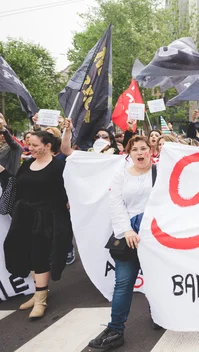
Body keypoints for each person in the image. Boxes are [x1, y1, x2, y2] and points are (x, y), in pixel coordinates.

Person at [88, 136, 157, 349]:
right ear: (129, 153)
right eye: (134, 149)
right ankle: (115, 328)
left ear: (150, 150)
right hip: (129, 236)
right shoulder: (120, 177)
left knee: (157, 279)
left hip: (155, 235)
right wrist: (127, 230)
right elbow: (116, 205)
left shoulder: (161, 173)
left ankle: (161, 315)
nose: (139, 152)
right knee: (124, 282)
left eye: (143, 148)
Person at [2, 131, 71, 319]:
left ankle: (41, 299)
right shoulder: (27, 164)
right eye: (28, 145)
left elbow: (69, 191)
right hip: (25, 217)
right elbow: (17, 186)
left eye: (34, 145)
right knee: (28, 254)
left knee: (40, 255)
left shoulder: (59, 167)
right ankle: (39, 292)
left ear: (48, 146)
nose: (29, 148)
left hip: (48, 219)